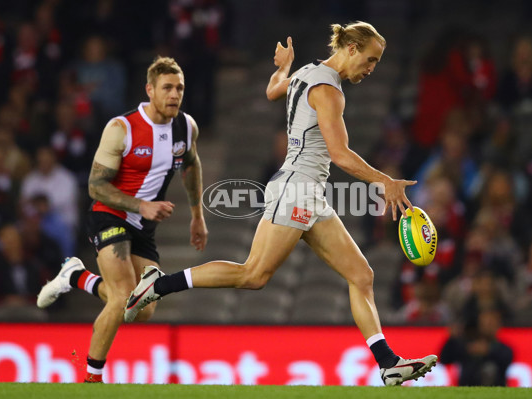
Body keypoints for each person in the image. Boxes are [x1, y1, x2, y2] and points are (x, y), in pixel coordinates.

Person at [124, 22, 437, 386]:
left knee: (361, 275)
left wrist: (283, 68)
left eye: (377, 63)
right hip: (297, 188)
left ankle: (388, 363)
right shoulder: (329, 90)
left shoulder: (308, 72)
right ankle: (158, 285)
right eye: (370, 59)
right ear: (351, 48)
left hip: (309, 192)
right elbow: (339, 153)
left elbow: (274, 90)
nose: (371, 68)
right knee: (253, 274)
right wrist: (385, 181)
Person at [36, 56, 208, 383]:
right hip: (110, 215)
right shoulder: (122, 128)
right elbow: (95, 186)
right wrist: (140, 204)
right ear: (150, 90)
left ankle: (77, 277)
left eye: (180, 88)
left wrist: (197, 216)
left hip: (144, 226)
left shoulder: (186, 126)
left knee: (142, 309)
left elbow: (192, 164)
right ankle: (92, 378)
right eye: (167, 88)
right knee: (120, 297)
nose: (175, 94)